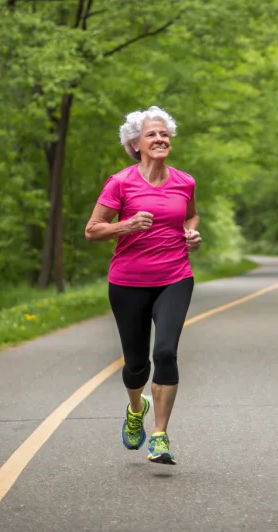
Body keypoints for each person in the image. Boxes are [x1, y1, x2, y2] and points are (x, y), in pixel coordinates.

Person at [85, 106, 201, 465]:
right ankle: (136, 409)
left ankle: (160, 436)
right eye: (152, 134)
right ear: (135, 143)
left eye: (165, 133)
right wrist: (126, 225)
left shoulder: (184, 181)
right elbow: (92, 230)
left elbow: (191, 214)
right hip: (128, 282)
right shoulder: (120, 182)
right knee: (136, 364)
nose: (161, 139)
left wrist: (191, 233)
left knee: (165, 352)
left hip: (175, 277)